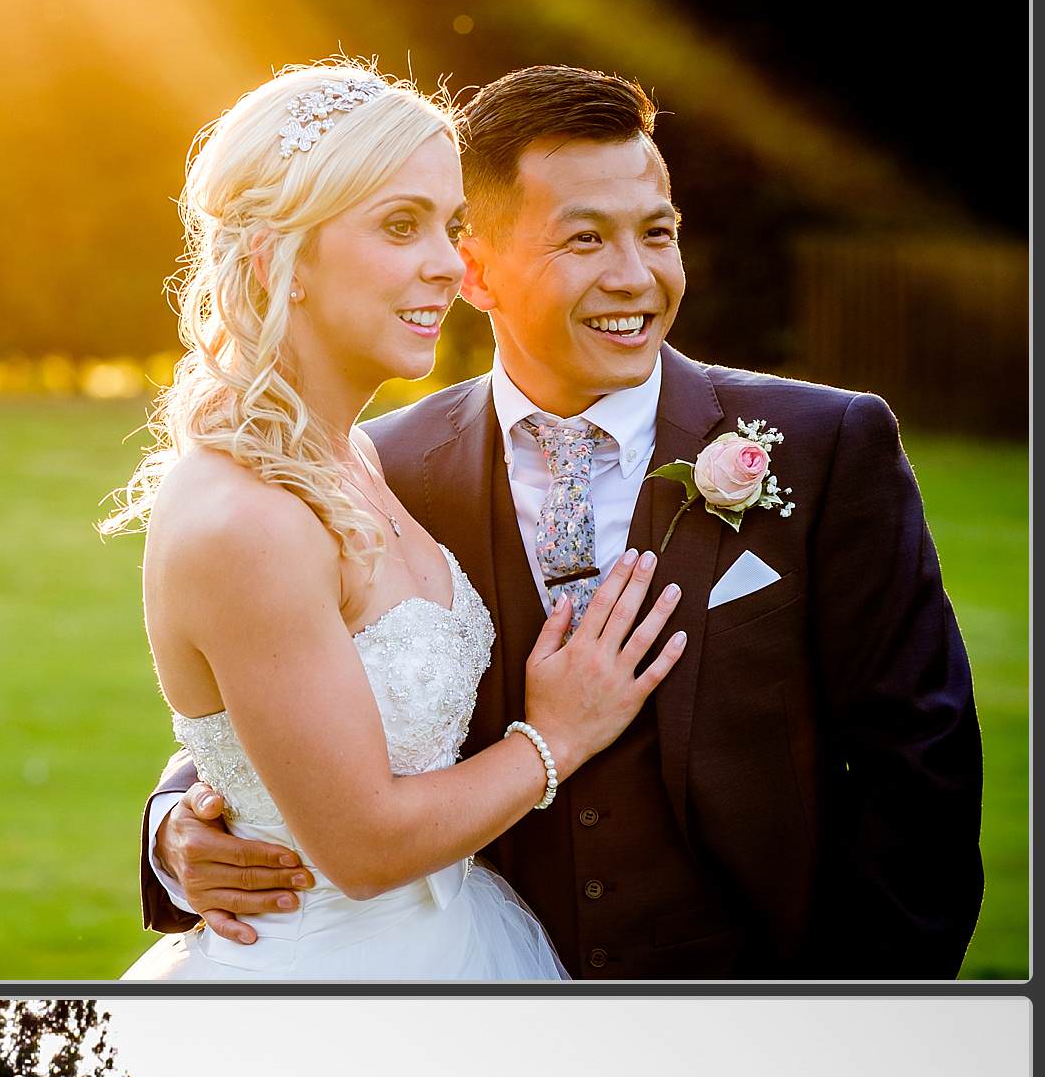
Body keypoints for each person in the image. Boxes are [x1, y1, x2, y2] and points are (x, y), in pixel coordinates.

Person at [141, 59, 984, 984]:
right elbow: (279, 691)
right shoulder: (390, 462)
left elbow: (921, 774)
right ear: (480, 271)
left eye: (657, 234)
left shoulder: (825, 447)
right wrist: (179, 823)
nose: (636, 278)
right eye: (584, 240)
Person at [118, 59, 682, 984]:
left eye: (451, 225)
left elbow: (297, 717)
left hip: (459, 935)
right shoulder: (248, 515)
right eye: (399, 225)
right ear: (275, 259)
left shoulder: (362, 458)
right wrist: (557, 739)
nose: (450, 264)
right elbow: (362, 843)